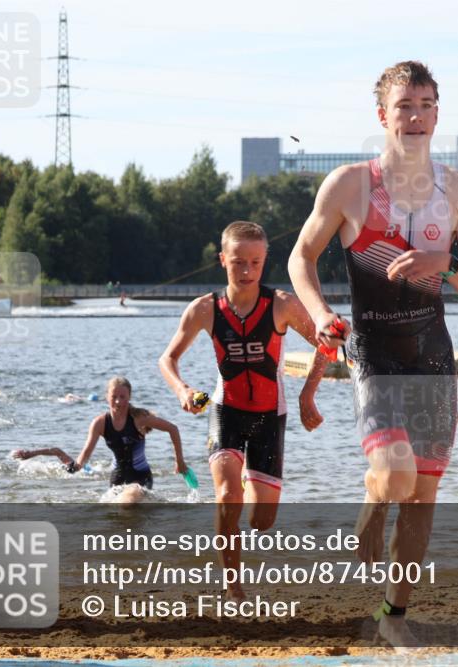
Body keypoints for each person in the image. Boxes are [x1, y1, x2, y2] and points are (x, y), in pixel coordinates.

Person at [288, 61, 458, 646]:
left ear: (437, 114)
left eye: (427, 105)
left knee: (423, 494)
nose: (416, 116)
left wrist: (446, 264)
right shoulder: (351, 185)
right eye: (405, 105)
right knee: (396, 474)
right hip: (373, 352)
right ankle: (372, 498)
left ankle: (393, 615)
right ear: (383, 115)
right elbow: (301, 257)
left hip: (432, 355)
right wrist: (321, 313)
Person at [159, 221, 328, 600]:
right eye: (238, 263)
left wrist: (308, 395)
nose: (247, 271)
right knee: (225, 496)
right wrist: (183, 389)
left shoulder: (282, 305)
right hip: (227, 411)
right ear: (223, 260)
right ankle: (233, 586)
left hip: (271, 416)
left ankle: (253, 485)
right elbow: (167, 360)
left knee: (261, 521)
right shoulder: (204, 309)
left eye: (255, 262)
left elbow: (326, 343)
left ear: (265, 261)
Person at [14, 376, 188, 502]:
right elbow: (83, 459)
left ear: (129, 397)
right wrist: (36, 454)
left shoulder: (139, 418)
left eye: (123, 397)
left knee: (128, 503)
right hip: (116, 480)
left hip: (141, 478)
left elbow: (173, 429)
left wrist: (179, 462)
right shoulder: (100, 423)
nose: (119, 402)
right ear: (107, 397)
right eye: (114, 397)